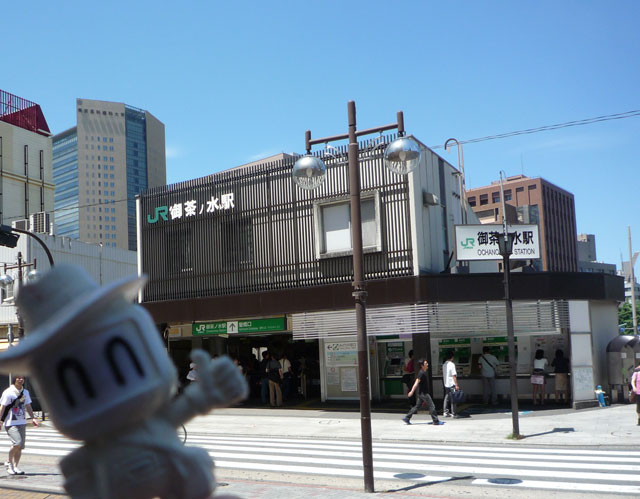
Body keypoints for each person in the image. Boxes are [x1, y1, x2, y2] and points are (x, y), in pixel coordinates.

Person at [0, 375, 39, 475]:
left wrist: (33, 418)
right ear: (14, 379)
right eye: (18, 378)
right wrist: (0, 420)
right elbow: (2, 407)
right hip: (10, 422)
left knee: (20, 446)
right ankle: (8, 463)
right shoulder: (8, 392)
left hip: (22, 421)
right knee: (17, 443)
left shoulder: (25, 392)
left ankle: (16, 466)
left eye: (22, 378)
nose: (21, 380)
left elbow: (28, 406)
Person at [402, 359, 443, 425]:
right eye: (426, 363)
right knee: (432, 406)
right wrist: (412, 391)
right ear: (422, 365)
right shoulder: (421, 373)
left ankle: (407, 418)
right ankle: (436, 421)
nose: (427, 364)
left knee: (417, 406)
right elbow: (416, 383)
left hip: (421, 394)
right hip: (424, 393)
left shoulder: (422, 372)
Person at [442, 350, 460, 418]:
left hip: (446, 384)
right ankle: (453, 413)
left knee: (446, 397)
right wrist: (456, 385)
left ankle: (445, 412)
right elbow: (454, 375)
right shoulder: (452, 365)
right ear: (452, 357)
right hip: (452, 384)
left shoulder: (444, 365)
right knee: (453, 398)